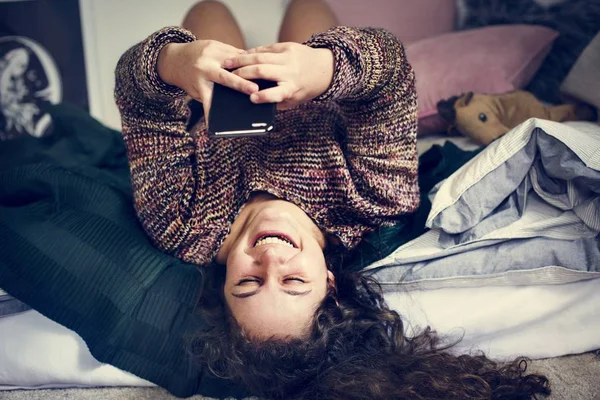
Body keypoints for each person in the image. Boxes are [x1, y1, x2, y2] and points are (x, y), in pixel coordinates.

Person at [115, 1, 551, 398]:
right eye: (293, 283)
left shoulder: (181, 225)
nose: (269, 263)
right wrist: (322, 67)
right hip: (323, 94)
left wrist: (171, 64)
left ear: (222, 290)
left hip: (211, 105)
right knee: (309, 6)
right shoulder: (374, 202)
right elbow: (392, 74)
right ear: (329, 281)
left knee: (208, 10)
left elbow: (137, 100)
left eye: (247, 284)